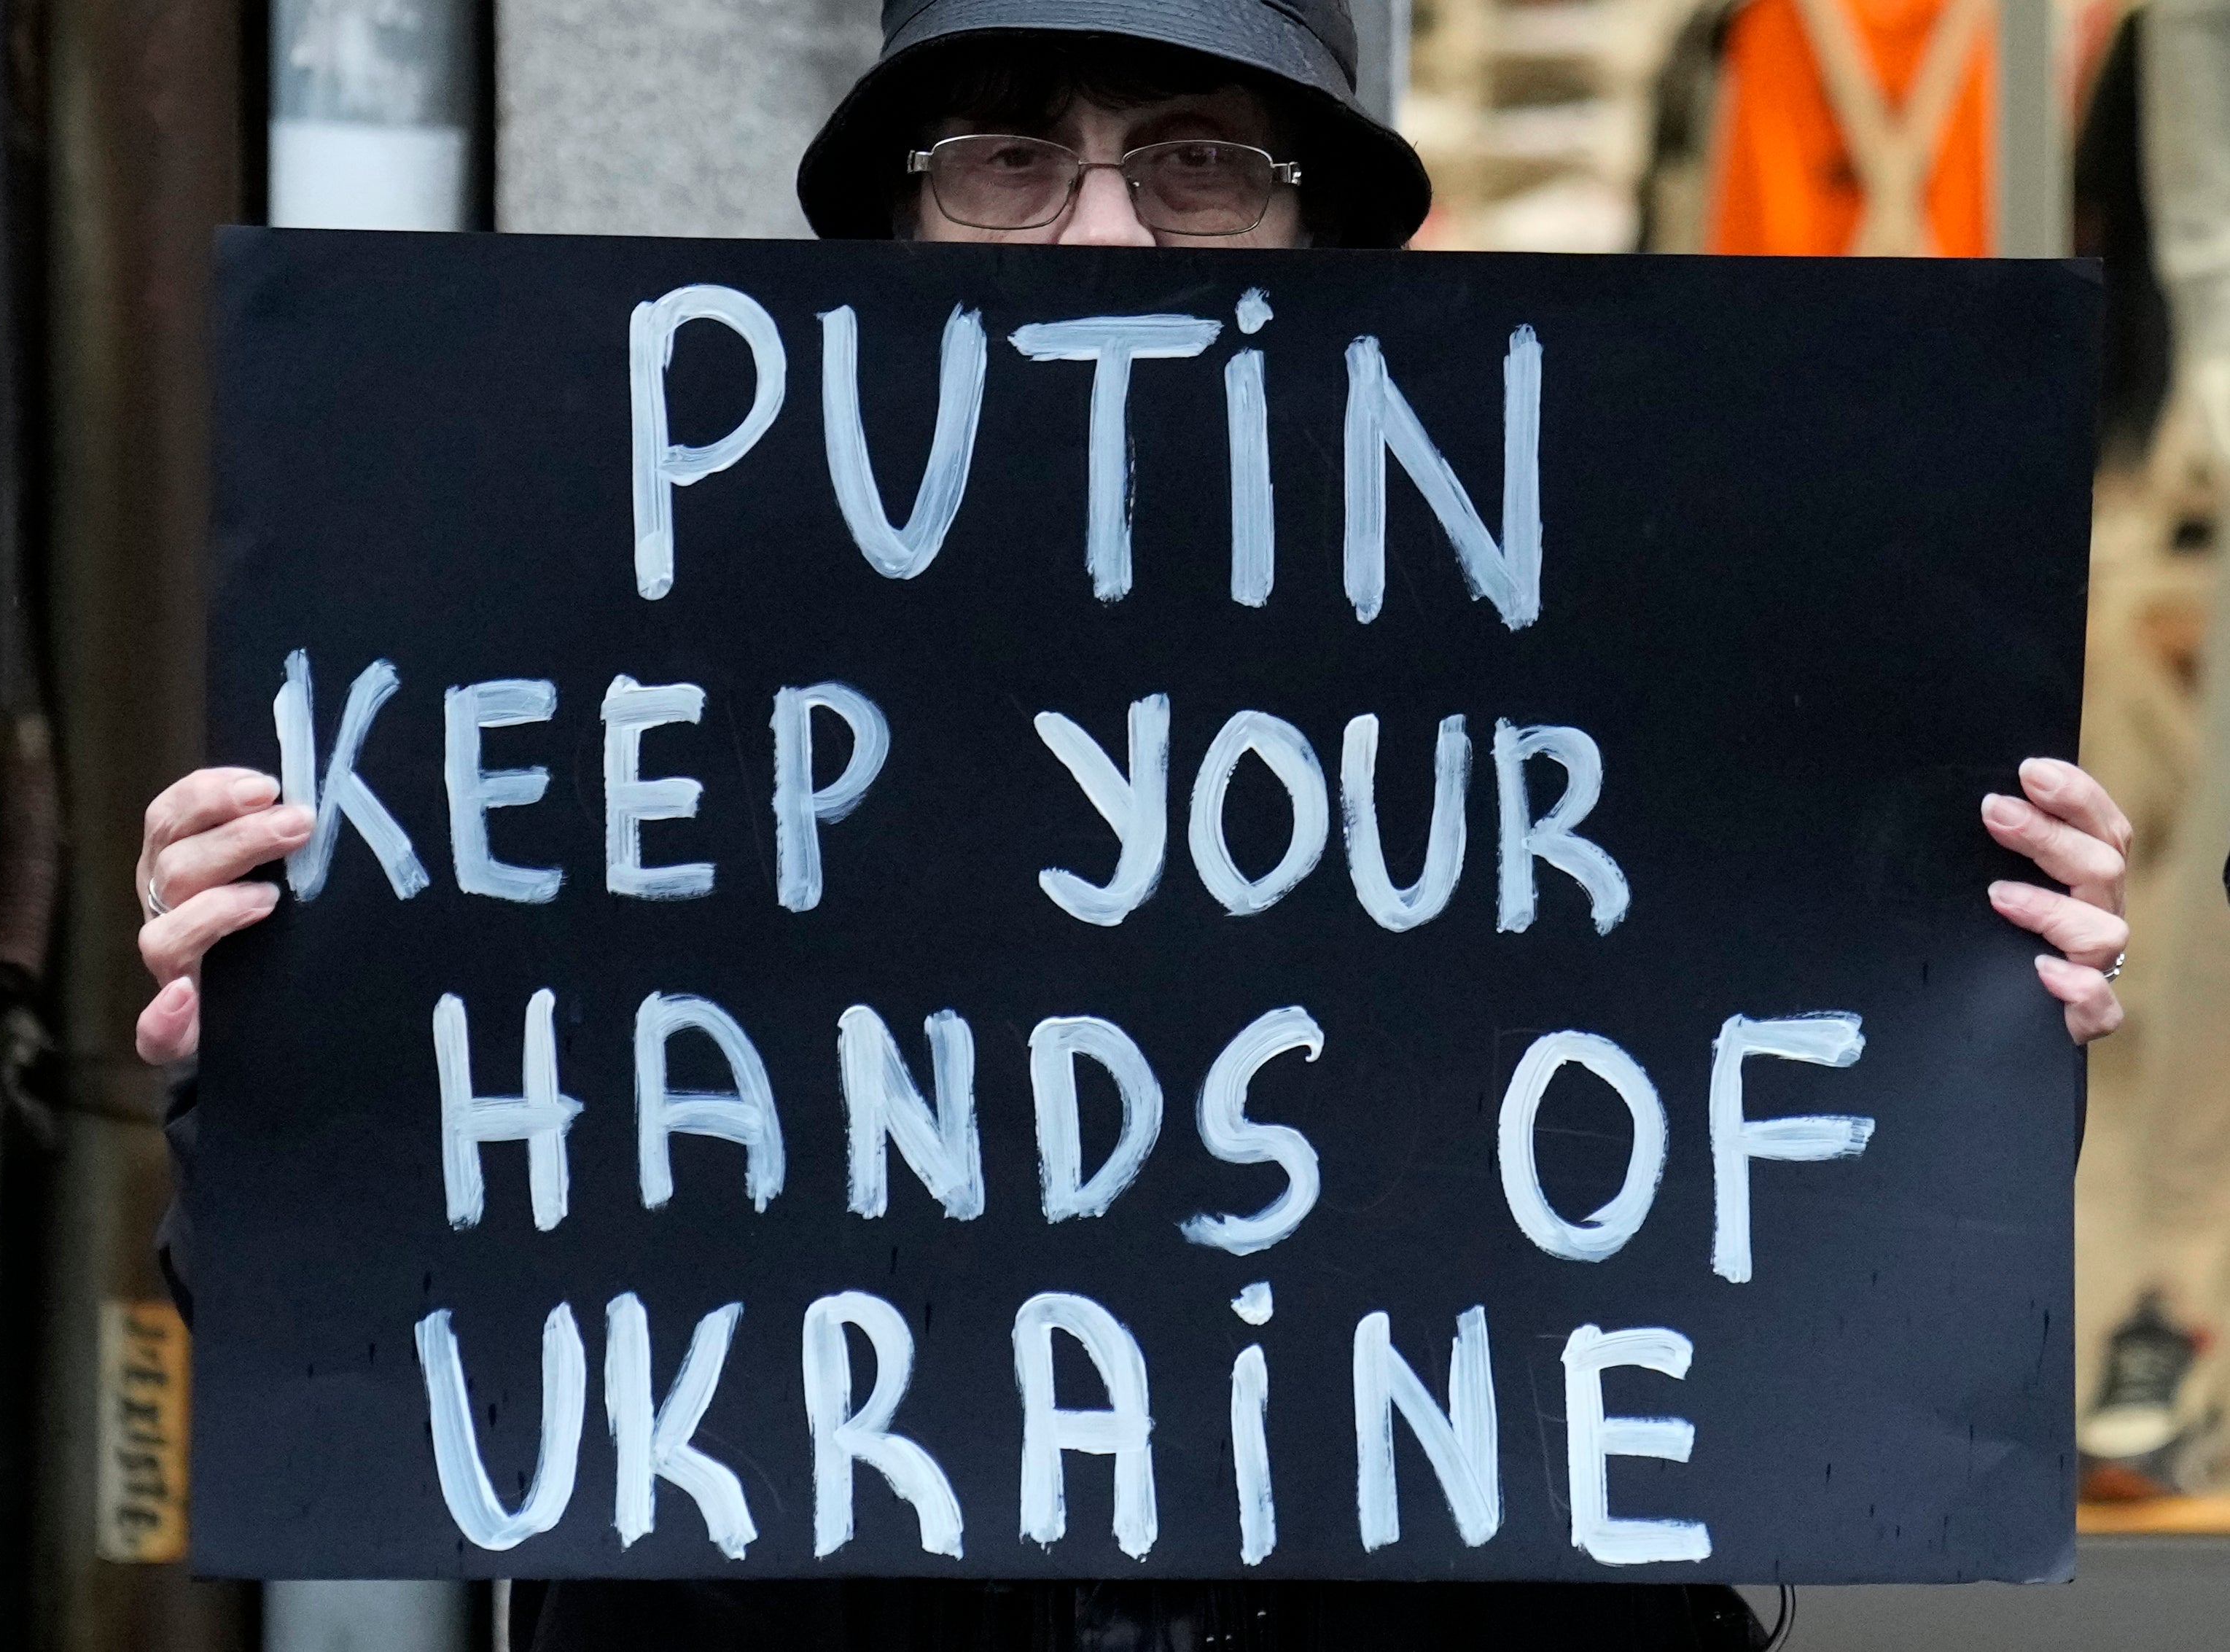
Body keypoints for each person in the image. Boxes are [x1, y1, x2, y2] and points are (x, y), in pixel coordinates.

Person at [137, 3, 2135, 1645]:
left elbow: (1809, 1275)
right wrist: (286, 1044)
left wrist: (1958, 1001)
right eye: (1008, 158)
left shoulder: (1581, 674)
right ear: (894, 238)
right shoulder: (619, 665)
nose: (1095, 239)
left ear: (1325, 244)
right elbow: (364, 1325)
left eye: (1195, 161)